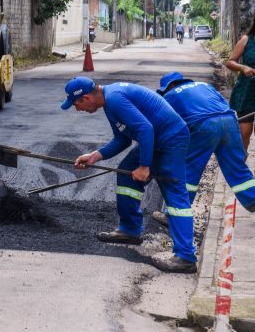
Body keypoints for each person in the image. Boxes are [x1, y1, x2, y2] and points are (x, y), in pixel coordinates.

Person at [62, 76, 197, 273]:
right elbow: (122, 139)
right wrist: (95, 156)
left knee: (174, 192)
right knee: (126, 173)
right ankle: (130, 230)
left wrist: (144, 166)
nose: (77, 109)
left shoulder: (115, 98)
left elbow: (145, 128)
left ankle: (185, 257)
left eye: (76, 104)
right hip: (156, 139)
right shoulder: (109, 102)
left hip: (170, 139)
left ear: (87, 97)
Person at [154, 72, 255, 224]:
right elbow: (225, 106)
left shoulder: (170, 96)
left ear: (171, 86)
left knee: (189, 170)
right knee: (238, 168)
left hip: (204, 126)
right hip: (229, 121)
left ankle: (174, 216)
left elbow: (170, 124)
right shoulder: (205, 86)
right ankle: (253, 199)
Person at [227, 19, 255, 151]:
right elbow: (230, 62)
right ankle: (241, 166)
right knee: (244, 133)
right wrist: (243, 68)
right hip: (246, 93)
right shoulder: (246, 40)